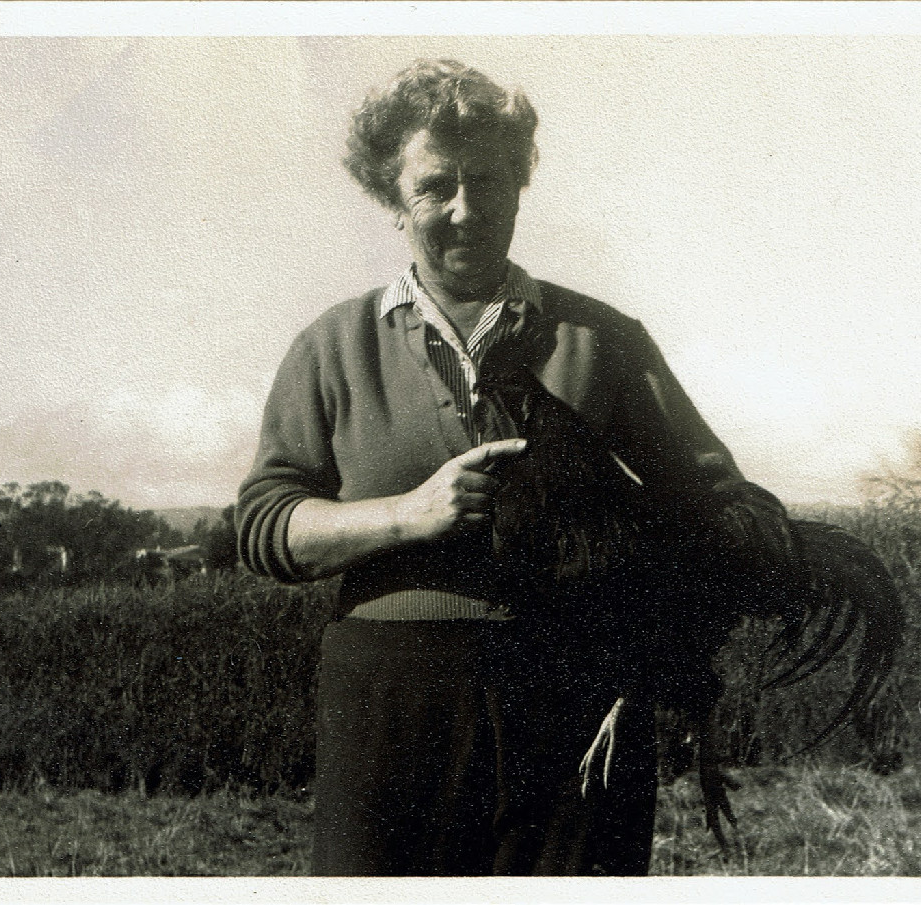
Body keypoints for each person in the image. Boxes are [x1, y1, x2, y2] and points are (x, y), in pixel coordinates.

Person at [236, 59, 756, 876]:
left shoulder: (601, 339)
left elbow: (716, 503)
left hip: (576, 700)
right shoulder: (333, 346)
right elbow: (266, 524)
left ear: (521, 185)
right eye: (435, 185)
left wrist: (651, 641)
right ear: (390, 196)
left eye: (490, 181)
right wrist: (407, 514)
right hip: (390, 705)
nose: (466, 209)